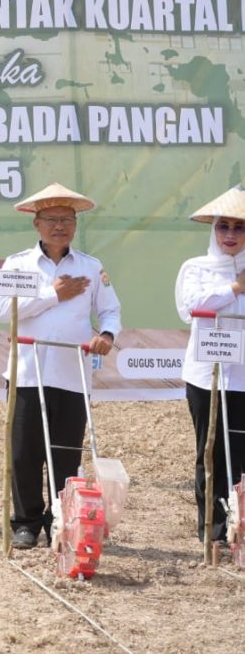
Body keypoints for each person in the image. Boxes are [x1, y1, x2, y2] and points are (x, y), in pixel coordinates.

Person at [0, 182, 122, 550]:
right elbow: (5, 311)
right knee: (23, 451)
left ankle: (62, 519)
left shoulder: (91, 267)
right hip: (26, 372)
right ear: (36, 224)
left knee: (65, 452)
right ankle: (26, 522)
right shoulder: (17, 264)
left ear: (75, 225)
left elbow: (111, 310)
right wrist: (54, 294)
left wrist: (108, 335)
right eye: (51, 219)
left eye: (67, 219)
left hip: (71, 373)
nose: (59, 227)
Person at [175, 183, 245, 546]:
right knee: (211, 449)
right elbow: (191, 307)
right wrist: (235, 288)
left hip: (244, 378)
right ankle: (214, 527)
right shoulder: (196, 267)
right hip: (207, 378)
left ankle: (242, 523)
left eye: (239, 227)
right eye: (223, 226)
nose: (230, 235)